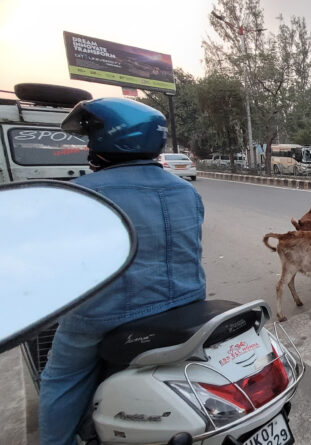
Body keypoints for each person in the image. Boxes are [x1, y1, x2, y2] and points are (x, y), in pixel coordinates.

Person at [39, 98, 206, 445]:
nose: (88, 146)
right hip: (186, 305)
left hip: (101, 318)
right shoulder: (186, 191)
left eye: (92, 137)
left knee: (60, 377)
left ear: (106, 141)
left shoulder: (79, 193)